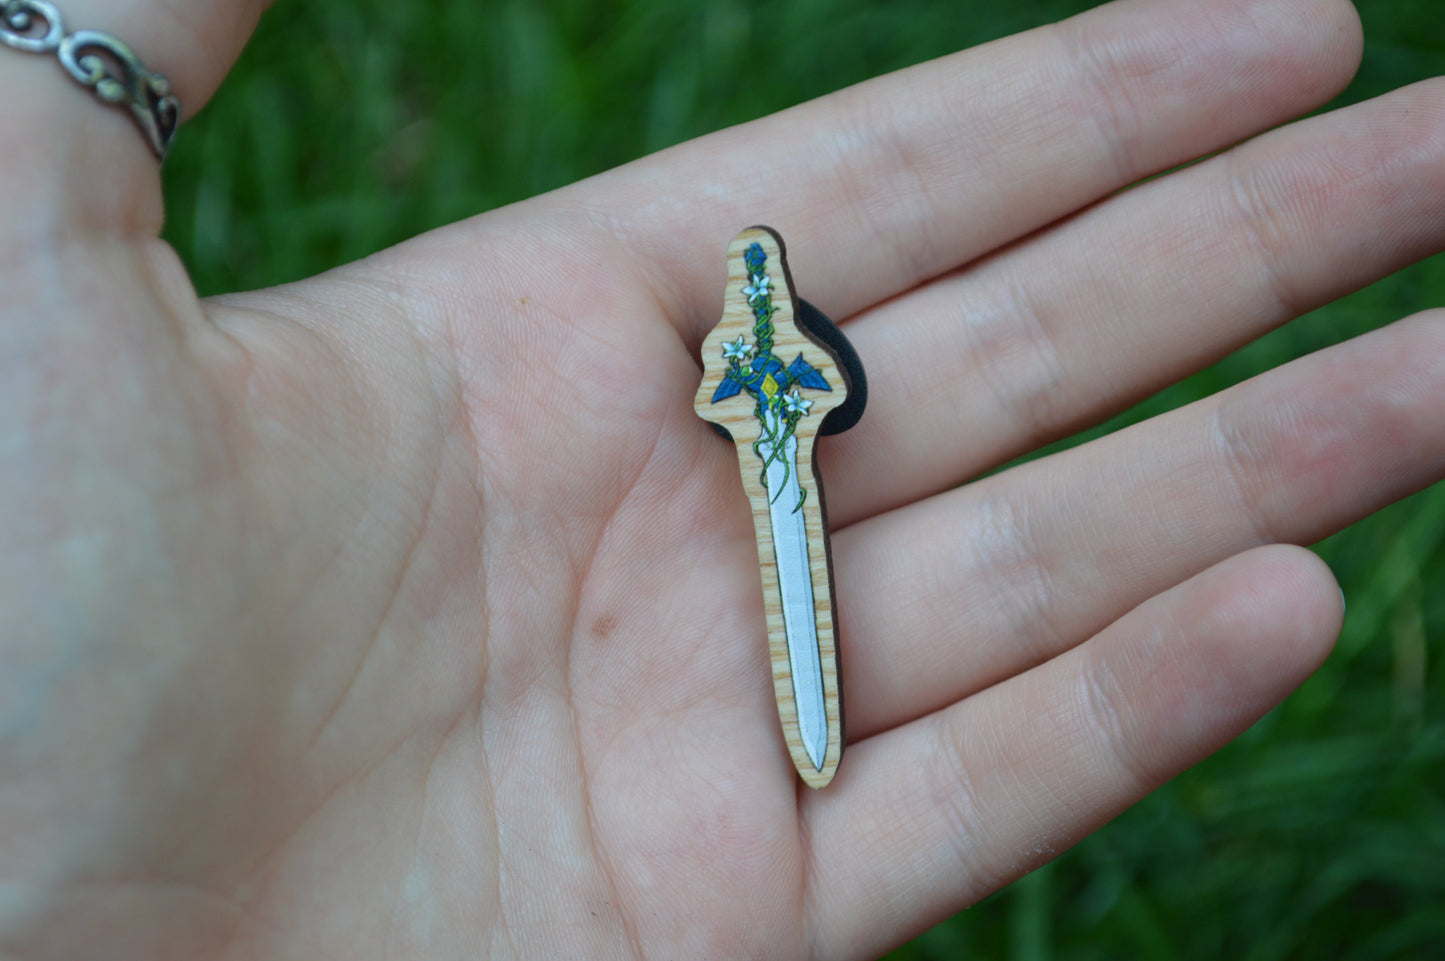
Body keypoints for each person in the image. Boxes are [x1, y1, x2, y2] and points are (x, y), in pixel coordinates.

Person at [2, 0, 1441, 956]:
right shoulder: (746, 360)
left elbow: (816, 386)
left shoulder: (782, 358)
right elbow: (739, 390)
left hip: (783, 472)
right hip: (767, 476)